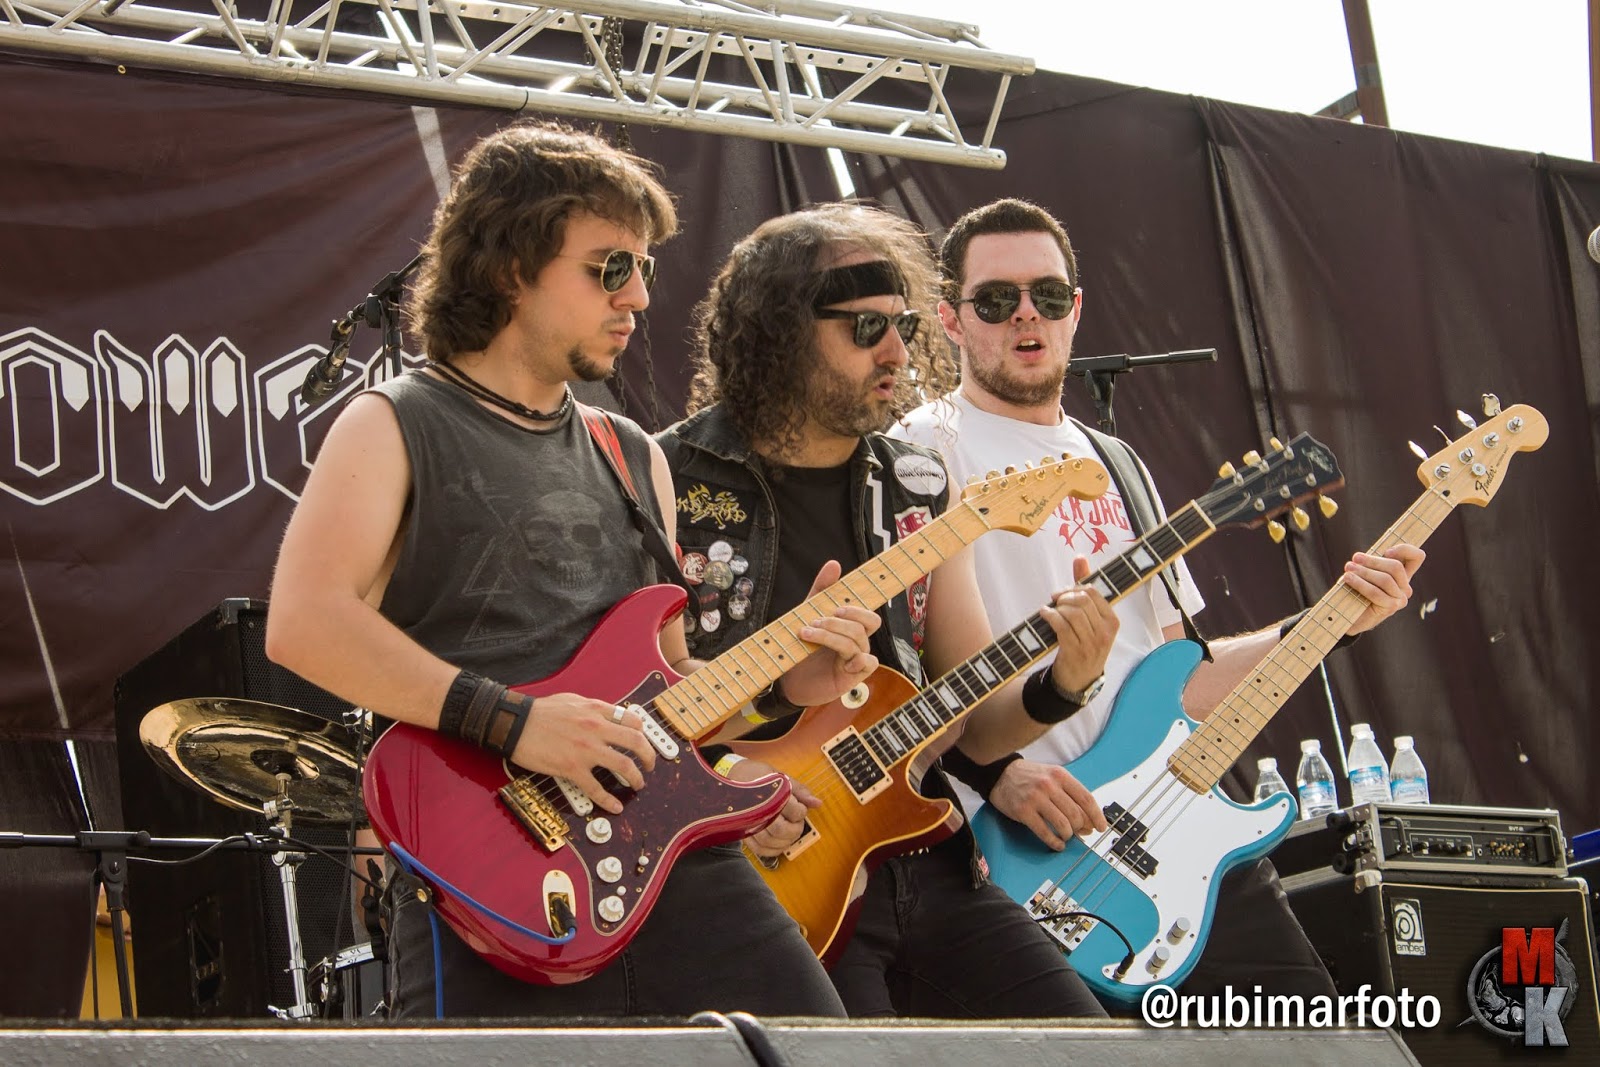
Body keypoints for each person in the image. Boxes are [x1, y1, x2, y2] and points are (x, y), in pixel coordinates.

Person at [264, 122, 885, 1019]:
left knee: (816, 1046)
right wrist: (518, 723)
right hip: (490, 869)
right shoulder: (392, 422)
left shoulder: (634, 454)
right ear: (510, 268)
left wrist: (787, 687)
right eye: (609, 267)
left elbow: (673, 693)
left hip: (666, 861)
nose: (638, 296)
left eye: (644, 268)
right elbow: (304, 622)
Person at [893, 196, 1425, 1002]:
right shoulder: (922, 448)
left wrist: (1334, 621)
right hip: (1023, 843)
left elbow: (1180, 679)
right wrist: (992, 770)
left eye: (1047, 295)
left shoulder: (1119, 463)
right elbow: (897, 671)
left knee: (1315, 1035)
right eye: (997, 299)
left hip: (1170, 829)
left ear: (1076, 311)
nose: (1026, 315)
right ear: (950, 319)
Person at [656, 202, 1115, 1019]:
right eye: (868, 327)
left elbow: (976, 729)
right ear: (781, 331)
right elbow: (634, 703)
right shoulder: (669, 475)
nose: (899, 352)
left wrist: (1063, 684)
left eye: (903, 325)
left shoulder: (920, 484)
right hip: (758, 867)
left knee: (1084, 1042)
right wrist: (723, 783)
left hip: (925, 853)